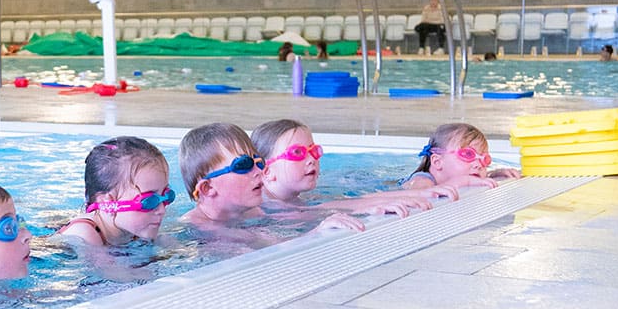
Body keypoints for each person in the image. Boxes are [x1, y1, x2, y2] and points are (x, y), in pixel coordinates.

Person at [179, 123, 362, 233]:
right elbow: (266, 250)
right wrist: (318, 231)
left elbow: (272, 241)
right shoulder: (197, 226)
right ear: (207, 188)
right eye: (243, 165)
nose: (259, 171)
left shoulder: (254, 212)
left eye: (258, 162)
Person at [251, 119, 451, 215]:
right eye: (297, 154)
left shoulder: (296, 197)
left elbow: (340, 202)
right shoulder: (262, 206)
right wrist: (366, 208)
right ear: (267, 172)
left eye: (313, 151)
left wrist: (420, 194)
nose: (311, 160)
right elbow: (316, 211)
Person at [58, 137, 173, 248]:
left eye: (167, 196)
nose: (162, 210)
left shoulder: (134, 227)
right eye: (150, 201)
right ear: (109, 202)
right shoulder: (85, 235)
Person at [401, 123, 521, 191]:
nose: (478, 164)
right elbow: (421, 194)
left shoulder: (458, 173)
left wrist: (493, 175)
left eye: (484, 159)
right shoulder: (422, 180)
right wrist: (463, 181)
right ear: (437, 162)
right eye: (468, 154)